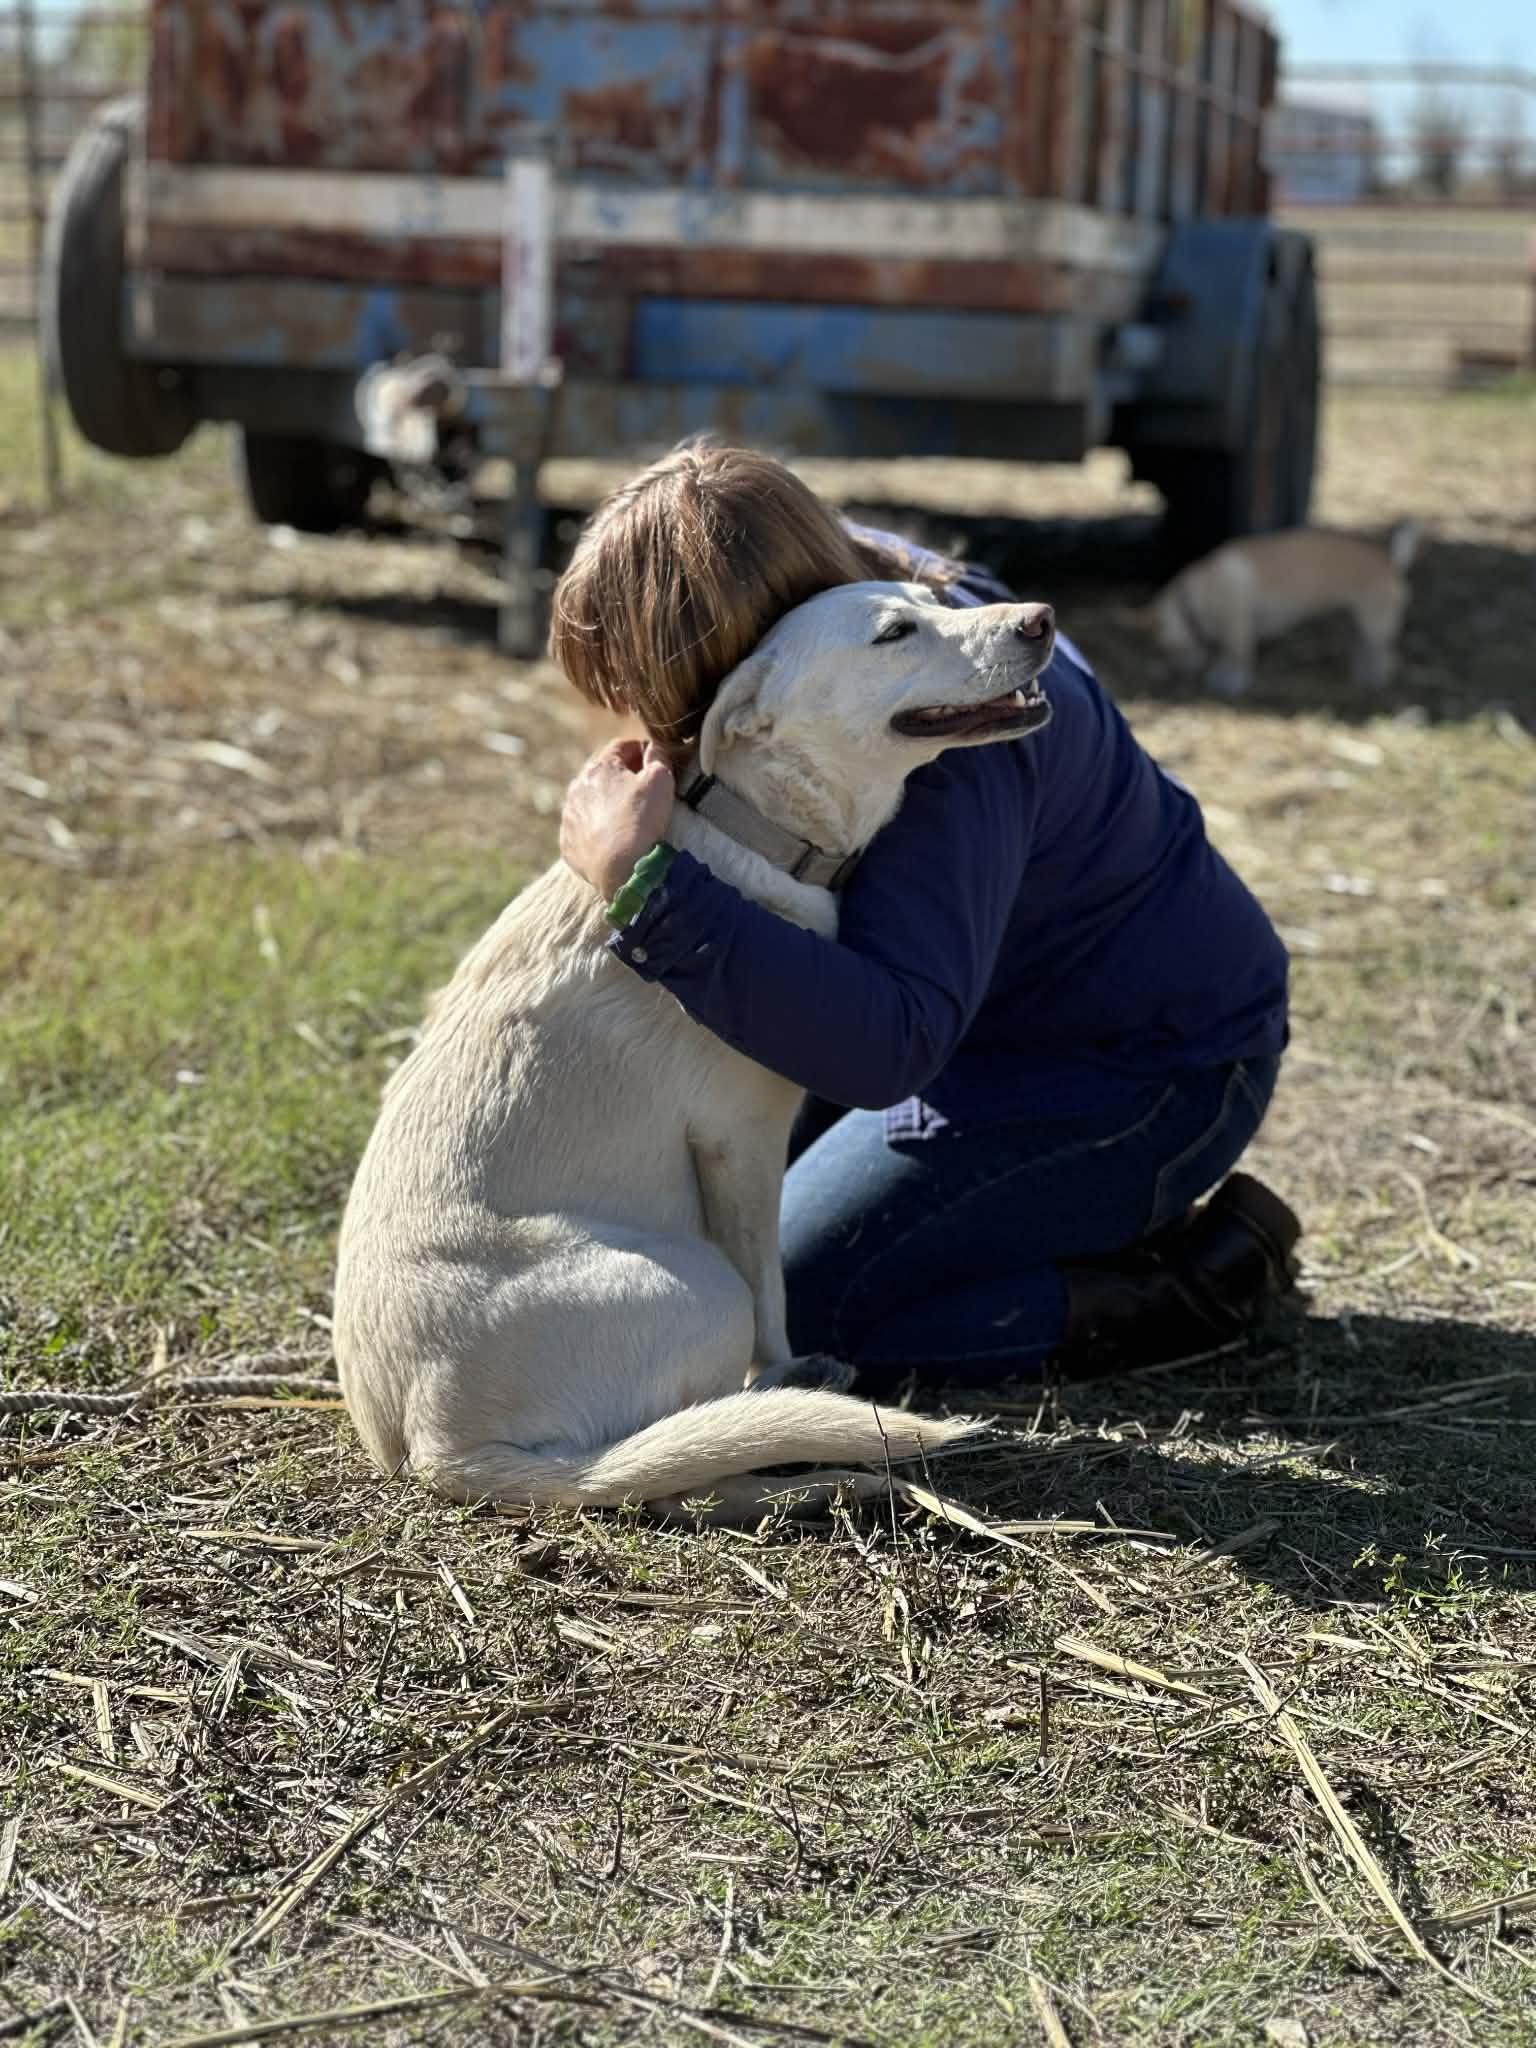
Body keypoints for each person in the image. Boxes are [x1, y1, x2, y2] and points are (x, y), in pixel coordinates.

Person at [552, 442, 1300, 1394]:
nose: (657, 731)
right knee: (709, 1216)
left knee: (796, 1301)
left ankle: (1173, 1292)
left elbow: (889, 1047)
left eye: (670, 703)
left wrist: (645, 889)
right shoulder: (834, 582)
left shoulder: (943, 733)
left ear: (751, 668)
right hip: (978, 1025)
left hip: (1136, 1071)